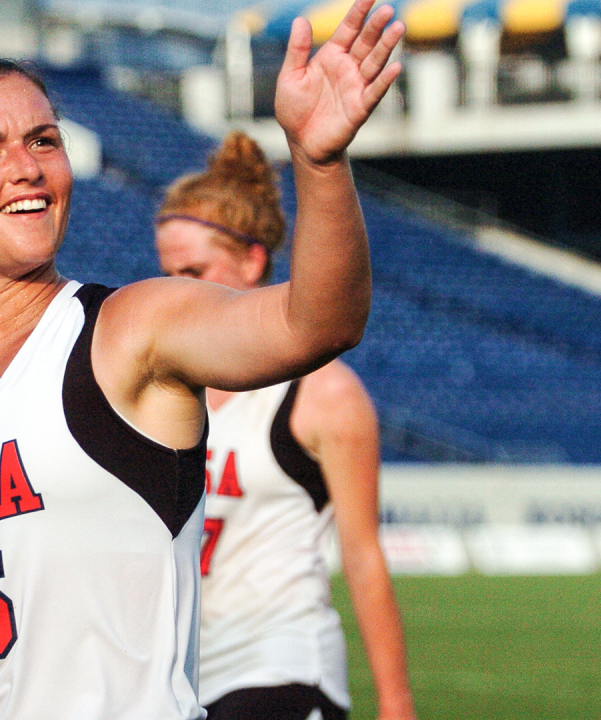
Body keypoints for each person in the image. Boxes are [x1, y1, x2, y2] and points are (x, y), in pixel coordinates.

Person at [0, 2, 405, 717]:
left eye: (43, 140)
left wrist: (318, 161)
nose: (26, 169)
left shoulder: (132, 329)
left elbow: (317, 323)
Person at [155, 130, 417, 720]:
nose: (176, 291)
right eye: (168, 273)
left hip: (282, 668)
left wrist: (397, 704)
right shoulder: (163, 386)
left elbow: (363, 554)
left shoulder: (323, 394)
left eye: (194, 270)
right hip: (182, 678)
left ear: (253, 260)